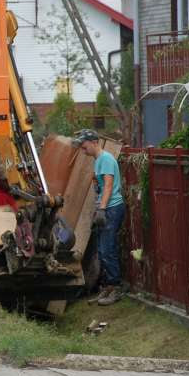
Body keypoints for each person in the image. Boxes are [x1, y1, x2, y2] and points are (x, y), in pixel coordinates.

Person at [73, 129, 125, 306]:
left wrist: (102, 209)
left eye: (83, 144)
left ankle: (116, 288)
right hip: (105, 208)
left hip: (112, 208)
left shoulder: (106, 159)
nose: (82, 148)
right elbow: (102, 188)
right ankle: (108, 287)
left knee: (108, 248)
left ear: (94, 142)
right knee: (102, 250)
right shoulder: (98, 161)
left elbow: (109, 186)